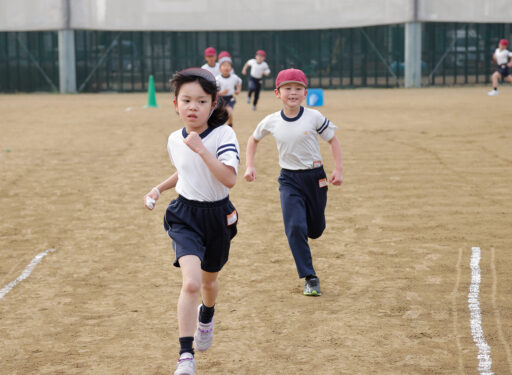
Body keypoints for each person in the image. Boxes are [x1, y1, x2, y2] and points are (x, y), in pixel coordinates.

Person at [144, 67, 240, 375]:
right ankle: (185, 356)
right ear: (175, 104)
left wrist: (202, 150)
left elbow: (229, 178)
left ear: (213, 104)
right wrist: (159, 188)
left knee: (209, 283)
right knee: (191, 283)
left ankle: (207, 314)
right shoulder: (174, 139)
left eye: (201, 101)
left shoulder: (224, 134)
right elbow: (184, 172)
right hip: (184, 216)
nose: (192, 107)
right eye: (186, 100)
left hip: (217, 217)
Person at [244, 68, 343, 297]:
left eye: (298, 88)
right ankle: (310, 277)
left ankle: (310, 229)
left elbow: (333, 141)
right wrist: (250, 165)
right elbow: (253, 139)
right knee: (295, 227)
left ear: (305, 93)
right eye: (288, 88)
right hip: (289, 180)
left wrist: (337, 169)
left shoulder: (314, 117)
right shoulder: (271, 121)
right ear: (277, 93)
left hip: (316, 177)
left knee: (316, 230)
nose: (293, 93)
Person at [216, 55, 242, 126]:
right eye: (224, 65)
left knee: (228, 112)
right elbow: (215, 92)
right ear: (220, 68)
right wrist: (221, 92)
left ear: (231, 68)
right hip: (220, 99)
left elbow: (239, 82)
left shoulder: (234, 77)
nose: (226, 67)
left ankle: (230, 126)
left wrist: (238, 90)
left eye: (228, 65)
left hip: (230, 98)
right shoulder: (217, 79)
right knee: (221, 114)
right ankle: (222, 127)